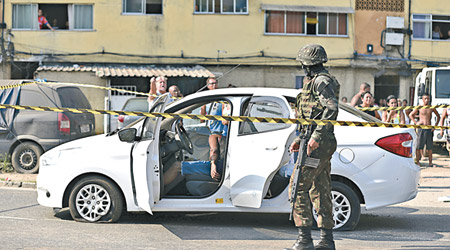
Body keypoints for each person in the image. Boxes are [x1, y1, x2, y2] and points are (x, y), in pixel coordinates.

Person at [286, 44, 339, 250]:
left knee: (298, 186)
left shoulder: (321, 81)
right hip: (314, 140)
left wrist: (316, 136)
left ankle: (304, 239)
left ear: (308, 64)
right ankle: (327, 240)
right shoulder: (313, 82)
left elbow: (331, 108)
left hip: (319, 142)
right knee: (321, 188)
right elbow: (309, 114)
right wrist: (300, 138)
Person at [409, 94, 440, 167]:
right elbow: (411, 115)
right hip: (421, 128)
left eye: (428, 99)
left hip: (429, 128)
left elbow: (438, 116)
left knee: (430, 147)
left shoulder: (431, 107)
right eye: (425, 98)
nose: (427, 100)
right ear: (422, 99)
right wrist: (416, 122)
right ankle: (418, 162)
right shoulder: (419, 107)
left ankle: (430, 162)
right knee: (419, 146)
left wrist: (435, 126)